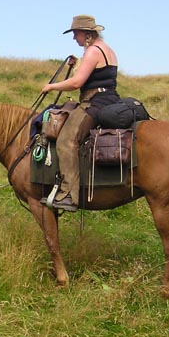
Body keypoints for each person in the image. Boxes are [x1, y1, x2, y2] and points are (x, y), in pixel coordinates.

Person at [41, 14, 120, 211]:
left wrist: (51, 86)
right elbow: (97, 75)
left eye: (75, 33)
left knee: (66, 140)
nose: (74, 37)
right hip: (108, 99)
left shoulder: (93, 51)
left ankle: (68, 194)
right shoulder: (105, 49)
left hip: (95, 103)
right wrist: (77, 64)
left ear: (86, 34)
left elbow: (76, 83)